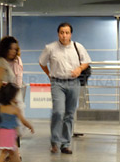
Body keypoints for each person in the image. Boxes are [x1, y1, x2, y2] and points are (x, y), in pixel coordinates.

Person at [38, 23, 91, 154]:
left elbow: (86, 62)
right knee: (58, 112)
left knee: (69, 114)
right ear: (58, 34)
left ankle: (65, 144)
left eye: (67, 33)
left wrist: (79, 69)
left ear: (70, 34)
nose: (64, 35)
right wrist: (49, 74)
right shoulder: (50, 48)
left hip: (73, 83)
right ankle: (55, 142)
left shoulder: (78, 47)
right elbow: (42, 62)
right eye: (62, 32)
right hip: (58, 83)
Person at [0, 84, 35, 162]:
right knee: (3, 154)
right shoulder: (15, 109)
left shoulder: (0, 107)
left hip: (1, 132)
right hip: (9, 134)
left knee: (12, 152)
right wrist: (30, 126)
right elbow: (23, 121)